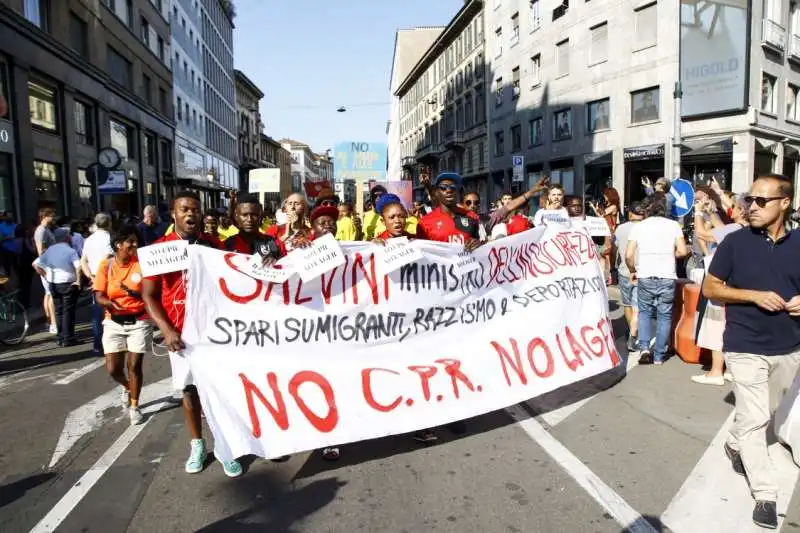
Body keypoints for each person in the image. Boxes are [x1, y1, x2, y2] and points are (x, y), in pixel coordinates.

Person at [702, 174, 800, 529]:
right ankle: (766, 494)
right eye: (748, 200)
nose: (751, 207)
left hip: (789, 347)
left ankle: (733, 442)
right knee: (758, 419)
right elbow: (711, 289)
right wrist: (753, 295)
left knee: (762, 412)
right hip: (744, 345)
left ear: (784, 203)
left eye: (761, 201)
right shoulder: (735, 242)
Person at [142, 191, 244, 478]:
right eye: (184, 209)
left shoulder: (213, 245)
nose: (191, 214)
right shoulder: (158, 249)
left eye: (196, 210)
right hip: (181, 336)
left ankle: (225, 447)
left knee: (220, 390)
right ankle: (197, 444)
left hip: (216, 332)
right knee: (189, 391)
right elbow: (149, 296)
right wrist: (167, 329)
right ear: (173, 214)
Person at [94, 226, 151, 426]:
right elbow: (99, 294)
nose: (135, 246)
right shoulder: (106, 266)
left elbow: (152, 292)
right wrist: (109, 303)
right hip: (113, 322)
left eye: (136, 241)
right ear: (119, 245)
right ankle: (127, 387)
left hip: (139, 320)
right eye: (131, 242)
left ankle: (135, 406)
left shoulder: (143, 263)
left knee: (134, 365)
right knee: (112, 369)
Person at [626, 194, 689, 365]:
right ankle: (659, 355)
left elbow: (629, 254)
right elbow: (683, 251)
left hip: (645, 274)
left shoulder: (639, 227)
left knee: (644, 313)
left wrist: (633, 270)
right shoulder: (674, 225)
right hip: (667, 275)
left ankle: (645, 348)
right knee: (664, 315)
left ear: (647, 207)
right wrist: (670, 255)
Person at [33, 228, 81, 346]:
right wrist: (78, 281)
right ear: (66, 237)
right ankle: (68, 337)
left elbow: (35, 264)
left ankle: (60, 337)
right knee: (68, 311)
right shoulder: (70, 251)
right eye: (69, 236)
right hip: (67, 283)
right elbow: (78, 266)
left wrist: (46, 275)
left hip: (53, 283)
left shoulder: (50, 250)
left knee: (59, 310)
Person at [614, 201, 645, 353]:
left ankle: (632, 332)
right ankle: (635, 333)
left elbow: (614, 248)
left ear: (630, 213)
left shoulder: (620, 228)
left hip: (624, 270)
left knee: (627, 304)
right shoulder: (647, 228)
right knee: (637, 306)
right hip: (642, 270)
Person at [81, 213, 114, 354]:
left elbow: (83, 260)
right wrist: (99, 277)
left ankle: (97, 344)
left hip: (94, 277)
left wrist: (90, 276)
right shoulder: (109, 238)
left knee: (97, 311)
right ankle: (111, 343)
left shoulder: (89, 239)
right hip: (108, 277)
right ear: (109, 223)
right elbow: (107, 258)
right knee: (111, 308)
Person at [223, 194, 286, 261]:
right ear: (236, 216)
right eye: (244, 215)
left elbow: (285, 266)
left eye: (254, 215)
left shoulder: (272, 243)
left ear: (261, 217)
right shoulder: (228, 245)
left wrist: (275, 261)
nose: (249, 219)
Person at [34, 207, 57, 334]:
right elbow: (40, 250)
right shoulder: (41, 230)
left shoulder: (46, 229)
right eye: (52, 215)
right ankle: (52, 322)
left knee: (48, 293)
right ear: (45, 216)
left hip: (49, 263)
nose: (53, 218)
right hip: (47, 265)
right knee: (50, 293)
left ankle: (50, 321)